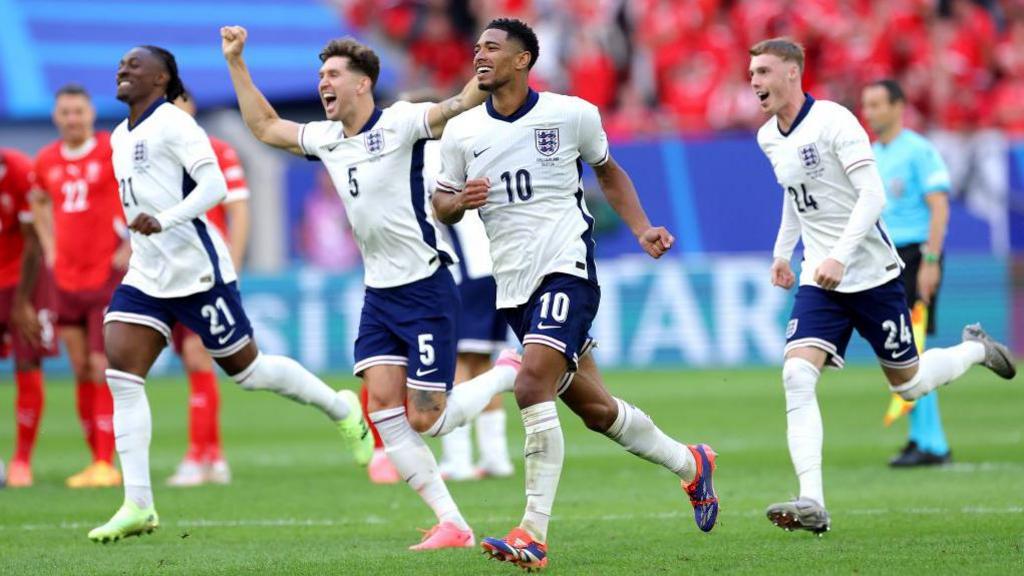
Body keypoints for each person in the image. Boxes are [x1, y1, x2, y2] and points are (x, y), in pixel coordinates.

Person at [432, 19, 719, 571]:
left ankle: (532, 533)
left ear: (523, 60)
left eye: (492, 48)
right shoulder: (463, 132)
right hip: (512, 286)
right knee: (595, 409)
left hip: (566, 270)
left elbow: (609, 173)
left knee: (530, 381)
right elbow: (441, 204)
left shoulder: (571, 114)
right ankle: (691, 464)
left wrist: (641, 228)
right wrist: (459, 202)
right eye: (477, 48)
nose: (480, 56)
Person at [221, 27, 522, 550]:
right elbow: (267, 127)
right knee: (383, 410)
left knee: (428, 418)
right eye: (320, 76)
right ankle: (453, 523)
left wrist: (487, 69)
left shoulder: (402, 122)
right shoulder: (327, 138)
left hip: (426, 287)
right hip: (379, 296)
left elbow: (456, 104)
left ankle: (504, 374)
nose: (323, 84)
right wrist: (236, 63)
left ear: (362, 84)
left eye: (333, 75)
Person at [87, 45, 372, 544]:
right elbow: (138, 199)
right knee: (122, 373)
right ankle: (138, 502)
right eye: (121, 63)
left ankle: (341, 407)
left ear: (161, 78)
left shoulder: (175, 123)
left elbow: (214, 186)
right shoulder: (117, 136)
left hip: (198, 273)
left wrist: (166, 220)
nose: (123, 69)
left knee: (250, 372)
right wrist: (132, 236)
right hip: (147, 274)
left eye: (135, 64)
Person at [750, 38, 1017, 535]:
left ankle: (976, 351)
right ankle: (812, 500)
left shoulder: (836, 122)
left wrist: (840, 255)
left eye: (763, 71)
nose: (754, 82)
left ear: (792, 73)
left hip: (871, 274)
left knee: (910, 384)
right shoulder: (769, 137)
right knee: (796, 376)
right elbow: (794, 196)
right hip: (819, 280)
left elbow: (873, 196)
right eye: (752, 73)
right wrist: (782, 253)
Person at [32, 84, 127, 489]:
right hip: (65, 279)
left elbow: (139, 191)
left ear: (91, 114)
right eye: (66, 112)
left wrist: (129, 244)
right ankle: (95, 460)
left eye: (79, 111)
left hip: (103, 276)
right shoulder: (46, 159)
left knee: (100, 367)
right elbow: (37, 201)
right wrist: (50, 247)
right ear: (57, 117)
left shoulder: (110, 150)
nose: (73, 119)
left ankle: (107, 461)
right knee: (79, 370)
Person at [862, 79, 954, 467]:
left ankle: (932, 443)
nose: (870, 112)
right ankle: (922, 438)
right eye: (866, 105)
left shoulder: (918, 150)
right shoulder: (870, 154)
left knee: (912, 348)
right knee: (901, 350)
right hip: (885, 258)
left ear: (898, 106)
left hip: (916, 256)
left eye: (878, 104)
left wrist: (931, 261)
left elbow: (939, 207)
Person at [165, 92, 252, 487]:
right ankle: (212, 457)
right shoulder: (157, 155)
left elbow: (239, 208)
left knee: (198, 358)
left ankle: (199, 456)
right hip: (168, 274)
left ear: (190, 106)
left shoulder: (217, 150)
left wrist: (231, 264)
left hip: (206, 272)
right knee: (192, 363)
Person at [2, 147, 58, 488]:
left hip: (22, 281)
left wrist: (22, 302)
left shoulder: (20, 169)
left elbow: (34, 240)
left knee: (27, 364)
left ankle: (22, 460)